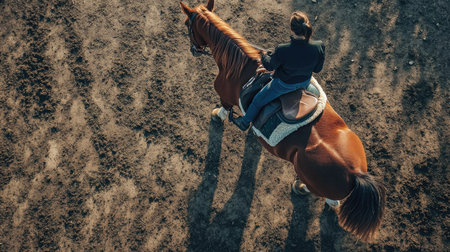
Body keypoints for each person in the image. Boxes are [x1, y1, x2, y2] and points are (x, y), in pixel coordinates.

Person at [231, 11, 325, 131]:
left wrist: (265, 55)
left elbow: (270, 66)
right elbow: (317, 69)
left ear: (292, 30)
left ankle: (244, 122)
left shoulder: (283, 50)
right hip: (305, 82)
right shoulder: (319, 46)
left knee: (258, 100)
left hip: (284, 85)